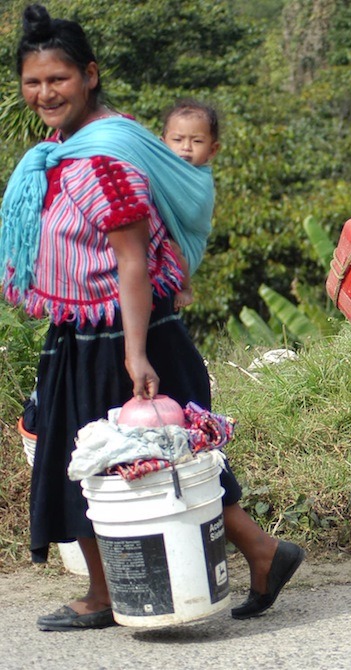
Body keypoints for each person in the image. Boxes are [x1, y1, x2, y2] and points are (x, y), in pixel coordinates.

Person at [1, 5, 302, 631]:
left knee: (101, 459)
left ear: (89, 74)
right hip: (90, 329)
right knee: (154, 458)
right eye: (33, 81)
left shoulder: (104, 157)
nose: (44, 93)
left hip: (120, 333)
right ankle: (263, 553)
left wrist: (135, 354)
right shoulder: (71, 146)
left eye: (57, 79)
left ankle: (106, 595)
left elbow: (133, 263)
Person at [160, 98, 220, 309]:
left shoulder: (200, 178)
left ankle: (185, 288)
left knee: (173, 248)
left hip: (182, 248)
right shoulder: (161, 167)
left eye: (196, 141)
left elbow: (195, 211)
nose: (186, 148)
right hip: (158, 245)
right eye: (177, 139)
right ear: (162, 143)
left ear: (212, 150)